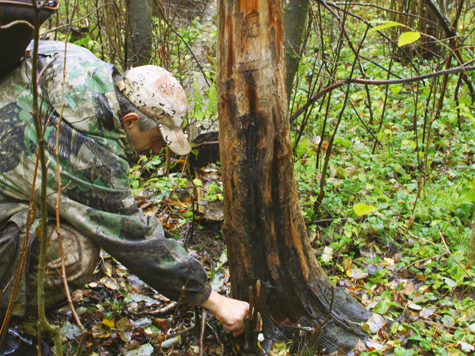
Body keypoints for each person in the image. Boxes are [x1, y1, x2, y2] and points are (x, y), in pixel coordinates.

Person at [0, 41, 248, 338]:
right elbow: (132, 236)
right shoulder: (88, 148)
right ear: (131, 121)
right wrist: (215, 300)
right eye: (158, 138)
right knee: (75, 255)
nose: (157, 150)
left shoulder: (80, 63)